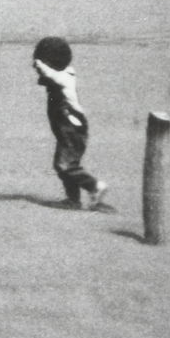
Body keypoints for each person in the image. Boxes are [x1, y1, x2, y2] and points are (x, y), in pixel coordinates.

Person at [32, 35, 108, 210]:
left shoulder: (64, 77)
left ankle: (96, 187)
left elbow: (50, 74)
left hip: (72, 129)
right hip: (66, 130)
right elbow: (47, 76)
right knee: (67, 165)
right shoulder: (60, 75)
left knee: (64, 165)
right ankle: (73, 200)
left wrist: (40, 64)